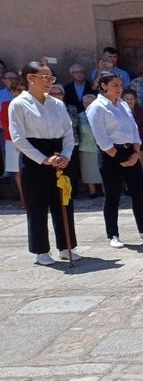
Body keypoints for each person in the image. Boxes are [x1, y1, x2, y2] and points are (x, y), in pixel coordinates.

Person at [9, 61, 79, 265]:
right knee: (37, 205)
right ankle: (41, 251)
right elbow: (18, 138)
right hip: (34, 157)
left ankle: (66, 246)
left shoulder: (57, 104)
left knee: (63, 202)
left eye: (51, 77)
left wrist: (65, 155)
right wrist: (43, 159)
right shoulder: (19, 104)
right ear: (30, 78)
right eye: (45, 77)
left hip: (59, 154)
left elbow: (68, 132)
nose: (49, 81)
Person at [87, 72, 143, 248]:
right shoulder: (97, 107)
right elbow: (101, 137)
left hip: (130, 151)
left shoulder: (122, 104)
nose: (119, 89)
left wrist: (135, 152)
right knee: (112, 196)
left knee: (138, 193)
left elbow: (133, 129)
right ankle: (113, 234)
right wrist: (118, 157)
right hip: (110, 154)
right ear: (104, 86)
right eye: (115, 85)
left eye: (120, 85)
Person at [1, 77, 27, 208]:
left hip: (29, 140)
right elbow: (5, 124)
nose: (21, 93)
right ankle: (23, 198)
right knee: (17, 171)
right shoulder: (6, 105)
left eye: (24, 90)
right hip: (12, 141)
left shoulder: (31, 105)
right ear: (12, 92)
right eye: (18, 90)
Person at [78, 94, 103, 198]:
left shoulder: (101, 113)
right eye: (86, 103)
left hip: (101, 145)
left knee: (102, 169)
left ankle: (104, 189)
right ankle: (92, 191)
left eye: (90, 102)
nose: (88, 104)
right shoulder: (80, 116)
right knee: (88, 170)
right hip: (86, 146)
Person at [122, 89, 143, 176]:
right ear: (123, 100)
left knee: (140, 169)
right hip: (123, 146)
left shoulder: (142, 112)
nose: (129, 101)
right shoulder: (117, 111)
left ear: (135, 100)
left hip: (140, 145)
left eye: (131, 99)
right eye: (127, 99)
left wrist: (135, 133)